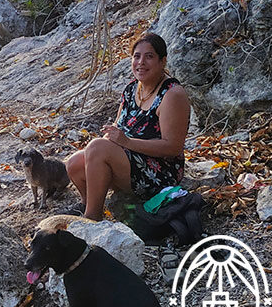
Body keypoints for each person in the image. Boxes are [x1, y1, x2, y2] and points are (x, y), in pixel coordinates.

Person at [66, 33, 190, 221]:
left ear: (162, 61)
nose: (141, 62)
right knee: (75, 163)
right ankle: (88, 203)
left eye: (149, 56)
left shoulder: (172, 94)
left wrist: (126, 142)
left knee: (96, 148)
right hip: (129, 161)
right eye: (137, 56)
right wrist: (113, 138)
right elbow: (119, 126)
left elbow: (173, 148)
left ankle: (92, 218)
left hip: (159, 172)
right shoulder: (132, 89)